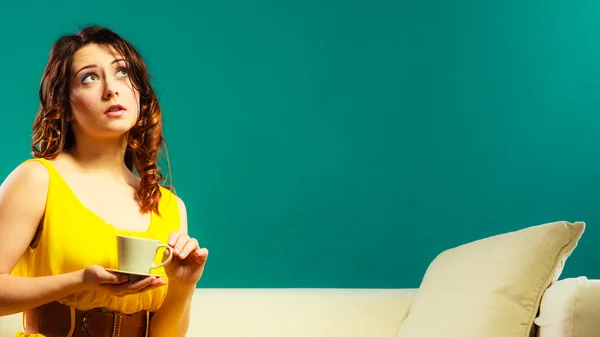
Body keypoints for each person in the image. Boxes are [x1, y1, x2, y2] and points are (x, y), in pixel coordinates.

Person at [0, 25, 209, 337]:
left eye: (123, 73)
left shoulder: (170, 207)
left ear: (140, 93)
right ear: (65, 105)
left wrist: (183, 286)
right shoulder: (37, 178)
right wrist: (79, 280)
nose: (111, 89)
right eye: (90, 77)